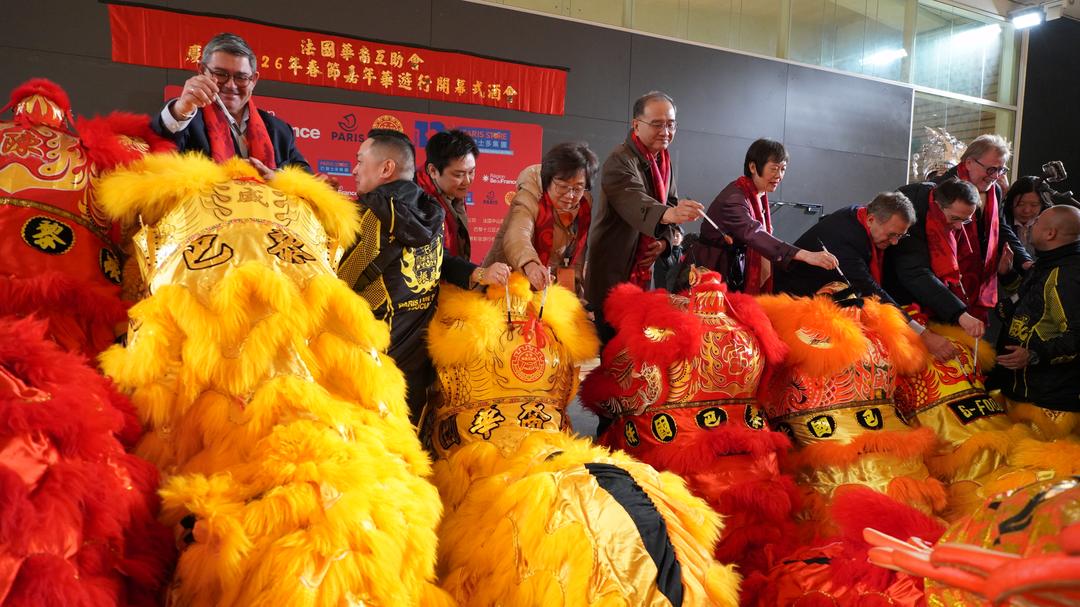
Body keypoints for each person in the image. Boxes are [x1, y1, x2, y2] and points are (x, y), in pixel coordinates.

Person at [339, 129, 509, 422]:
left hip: (374, 358)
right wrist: (478, 273)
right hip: (419, 354)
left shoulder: (367, 217)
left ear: (386, 168)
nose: (354, 170)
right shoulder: (432, 213)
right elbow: (440, 260)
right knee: (411, 432)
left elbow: (338, 284)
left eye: (360, 161)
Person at [774, 192, 956, 359]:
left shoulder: (860, 216)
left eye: (900, 236)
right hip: (796, 310)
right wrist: (923, 335)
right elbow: (870, 289)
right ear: (871, 219)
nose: (895, 242)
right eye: (892, 235)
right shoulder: (845, 240)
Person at [585, 91, 704, 340]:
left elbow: (670, 202)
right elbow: (635, 202)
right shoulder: (619, 160)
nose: (665, 132)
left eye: (671, 124)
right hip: (613, 268)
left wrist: (664, 242)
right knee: (611, 345)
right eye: (657, 124)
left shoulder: (663, 160)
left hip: (641, 266)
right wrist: (670, 214)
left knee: (633, 345)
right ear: (636, 125)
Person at [150, 32, 310, 179]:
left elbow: (306, 181)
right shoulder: (184, 119)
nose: (230, 85)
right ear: (202, 71)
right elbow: (157, 154)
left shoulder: (279, 130)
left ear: (254, 80)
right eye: (220, 74)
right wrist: (181, 110)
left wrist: (275, 178)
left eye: (241, 77)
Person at [697, 138, 837, 294]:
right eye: (774, 169)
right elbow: (754, 234)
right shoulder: (734, 198)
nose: (779, 176)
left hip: (732, 266)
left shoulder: (759, 193)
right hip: (713, 268)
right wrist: (806, 255)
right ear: (752, 167)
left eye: (783, 169)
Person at [992, 205, 1080, 413]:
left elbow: (1077, 336)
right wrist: (1008, 276)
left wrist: (1033, 354)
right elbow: (1034, 303)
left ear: (1051, 234)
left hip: (1049, 403)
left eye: (1038, 220)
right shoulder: (1049, 262)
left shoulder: (1069, 276)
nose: (1032, 223)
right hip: (1021, 391)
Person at [484, 141, 597, 300]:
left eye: (577, 188)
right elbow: (518, 235)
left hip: (549, 290)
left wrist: (575, 293)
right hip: (510, 286)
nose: (570, 195)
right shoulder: (530, 195)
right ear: (548, 180)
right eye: (562, 186)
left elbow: (577, 255)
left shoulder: (584, 204)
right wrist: (530, 265)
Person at [417, 129, 479, 261]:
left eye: (471, 172)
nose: (467, 181)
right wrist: (474, 271)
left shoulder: (452, 191)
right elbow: (436, 257)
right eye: (458, 175)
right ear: (433, 171)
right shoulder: (417, 203)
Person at [1002, 176, 1049, 257]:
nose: (1026, 210)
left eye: (1034, 205)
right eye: (1021, 204)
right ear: (1011, 202)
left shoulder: (1050, 224)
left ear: (1043, 205)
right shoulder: (1001, 221)